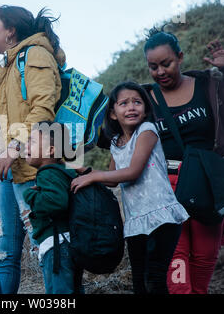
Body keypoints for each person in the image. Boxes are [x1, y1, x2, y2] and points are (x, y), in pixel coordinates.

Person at [142, 27, 224, 294]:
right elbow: (116, 129)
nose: (160, 72)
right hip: (165, 189)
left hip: (206, 184)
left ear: (180, 57)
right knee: (175, 260)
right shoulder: (145, 99)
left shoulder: (207, 84)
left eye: (166, 63)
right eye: (153, 66)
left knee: (204, 258)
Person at [0, 5, 66, 294]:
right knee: (4, 255)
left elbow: (42, 108)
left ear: (11, 31)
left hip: (31, 168)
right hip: (8, 171)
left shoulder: (35, 55)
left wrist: (14, 149)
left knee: (47, 247)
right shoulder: (7, 65)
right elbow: (6, 116)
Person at [70, 81, 189, 294]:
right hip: (136, 221)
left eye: (137, 102)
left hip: (161, 215)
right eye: (124, 103)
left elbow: (133, 171)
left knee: (155, 278)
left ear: (145, 109)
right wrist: (88, 172)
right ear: (113, 113)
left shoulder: (147, 130)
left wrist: (95, 177)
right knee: (139, 282)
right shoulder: (116, 142)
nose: (131, 107)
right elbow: (113, 179)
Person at [22, 121, 83, 294]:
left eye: (32, 142)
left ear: (51, 150)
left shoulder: (48, 172)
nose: (26, 145)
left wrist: (30, 195)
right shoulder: (61, 171)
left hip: (57, 246)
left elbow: (56, 202)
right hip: (67, 243)